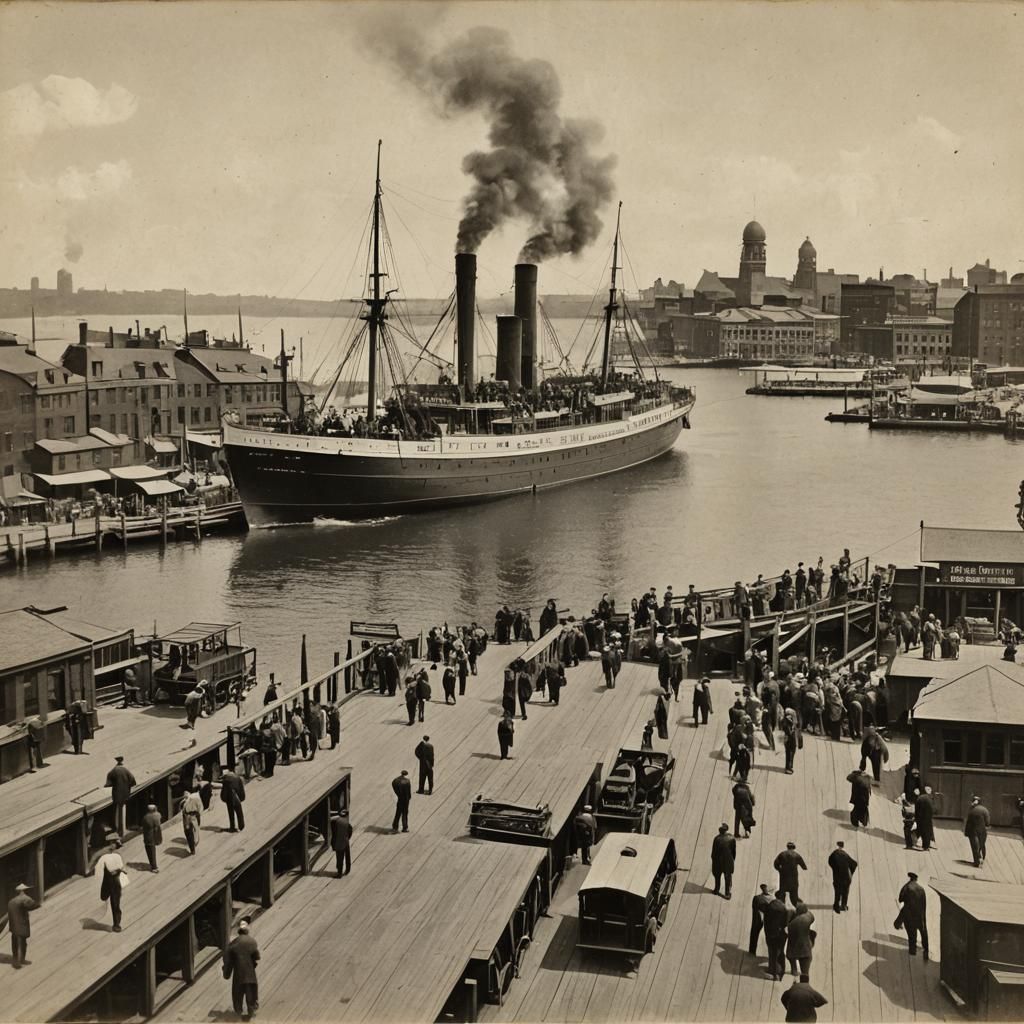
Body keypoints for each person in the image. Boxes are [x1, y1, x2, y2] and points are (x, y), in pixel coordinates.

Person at [223, 920, 260, 1020]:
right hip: (250, 974)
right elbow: (257, 956)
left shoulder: (233, 944)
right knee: (251, 993)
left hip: (238, 975)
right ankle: (251, 1010)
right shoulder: (252, 942)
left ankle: (238, 1013)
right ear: (247, 931)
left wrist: (226, 973)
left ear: (239, 932)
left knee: (237, 994)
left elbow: (229, 961)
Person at [896, 871, 929, 958]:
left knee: (912, 934)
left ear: (910, 878)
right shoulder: (921, 889)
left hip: (910, 915)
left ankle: (912, 951)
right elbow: (924, 903)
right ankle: (926, 950)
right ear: (916, 879)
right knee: (923, 931)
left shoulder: (906, 887)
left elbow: (900, 899)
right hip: (920, 914)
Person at [97, 839, 126, 932]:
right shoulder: (105, 854)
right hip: (106, 880)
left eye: (116, 845)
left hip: (115, 881)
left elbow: (118, 869)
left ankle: (116, 924)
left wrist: (119, 870)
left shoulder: (117, 855)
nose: (115, 847)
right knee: (104, 897)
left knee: (115, 902)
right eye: (114, 844)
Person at [105, 756, 136, 838]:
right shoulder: (126, 770)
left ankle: (118, 830)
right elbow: (133, 781)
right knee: (123, 810)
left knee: (117, 811)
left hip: (117, 794)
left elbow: (108, 783)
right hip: (125, 793)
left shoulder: (114, 771)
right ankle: (123, 830)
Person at [763, 890, 791, 981]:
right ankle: (779, 973)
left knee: (771, 952)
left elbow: (765, 920)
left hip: (770, 933)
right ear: (783, 898)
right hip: (780, 935)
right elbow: (785, 924)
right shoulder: (784, 908)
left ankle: (771, 970)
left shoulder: (770, 905)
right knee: (780, 952)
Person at [7, 882, 36, 968]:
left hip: (13, 927)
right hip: (21, 925)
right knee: (22, 944)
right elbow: (34, 904)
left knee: (14, 944)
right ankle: (20, 961)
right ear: (23, 891)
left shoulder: (11, 901)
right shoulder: (25, 898)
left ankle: (15, 960)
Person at [785, 903, 815, 978]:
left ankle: (794, 970)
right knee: (805, 972)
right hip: (805, 948)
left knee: (792, 958)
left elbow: (786, 930)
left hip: (793, 948)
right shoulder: (808, 917)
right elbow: (812, 917)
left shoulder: (792, 924)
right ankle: (804, 977)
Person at [827, 840, 857, 913]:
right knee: (845, 891)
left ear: (837, 846)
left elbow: (830, 862)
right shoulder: (845, 854)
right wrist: (850, 873)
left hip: (838, 877)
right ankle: (843, 906)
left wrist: (835, 869)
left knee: (837, 891)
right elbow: (854, 864)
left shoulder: (834, 854)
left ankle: (836, 906)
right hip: (847, 878)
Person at [711, 823, 736, 899]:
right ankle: (727, 893)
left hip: (718, 861)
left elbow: (713, 852)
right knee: (728, 877)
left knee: (717, 876)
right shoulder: (731, 838)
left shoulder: (716, 839)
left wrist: (713, 860)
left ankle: (716, 890)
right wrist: (732, 860)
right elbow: (733, 851)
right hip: (728, 861)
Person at [964, 795, 990, 866]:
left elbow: (968, 822)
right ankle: (982, 858)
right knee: (982, 845)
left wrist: (966, 832)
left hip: (973, 831)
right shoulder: (985, 810)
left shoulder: (971, 810)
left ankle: (977, 861)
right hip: (982, 831)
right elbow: (987, 823)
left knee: (975, 846)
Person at [749, 882, 773, 956]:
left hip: (761, 918)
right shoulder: (773, 899)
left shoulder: (757, 898)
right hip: (764, 918)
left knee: (754, 933)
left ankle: (752, 951)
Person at [220, 767, 246, 832]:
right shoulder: (238, 778)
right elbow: (241, 789)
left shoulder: (226, 780)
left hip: (229, 799)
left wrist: (224, 798)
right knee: (239, 812)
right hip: (237, 798)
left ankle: (232, 827)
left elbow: (224, 791)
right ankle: (241, 826)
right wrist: (241, 798)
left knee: (231, 813)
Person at [330, 809, 353, 877]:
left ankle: (339, 873)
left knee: (339, 857)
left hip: (338, 842)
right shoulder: (347, 823)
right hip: (345, 841)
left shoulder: (335, 823)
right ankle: (348, 869)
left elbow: (334, 834)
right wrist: (347, 838)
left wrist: (333, 844)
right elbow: (350, 832)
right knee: (347, 856)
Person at [181, 787, 203, 855]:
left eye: (187, 793)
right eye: (185, 794)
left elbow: (200, 807)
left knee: (195, 829)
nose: (186, 795)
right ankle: (192, 847)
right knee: (188, 831)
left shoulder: (195, 799)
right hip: (187, 817)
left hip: (193, 815)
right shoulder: (183, 802)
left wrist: (199, 813)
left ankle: (195, 842)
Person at [141, 804, 163, 872]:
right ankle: (154, 866)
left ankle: (153, 866)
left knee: (149, 850)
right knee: (152, 851)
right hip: (156, 834)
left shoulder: (146, 817)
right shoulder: (158, 815)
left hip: (148, 835)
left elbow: (143, 825)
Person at [915, 786, 935, 851]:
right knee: (927, 831)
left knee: (921, 830)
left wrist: (916, 817)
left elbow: (917, 808)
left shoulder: (920, 798)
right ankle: (926, 846)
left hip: (920, 817)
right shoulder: (930, 798)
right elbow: (932, 809)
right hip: (928, 817)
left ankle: (922, 844)